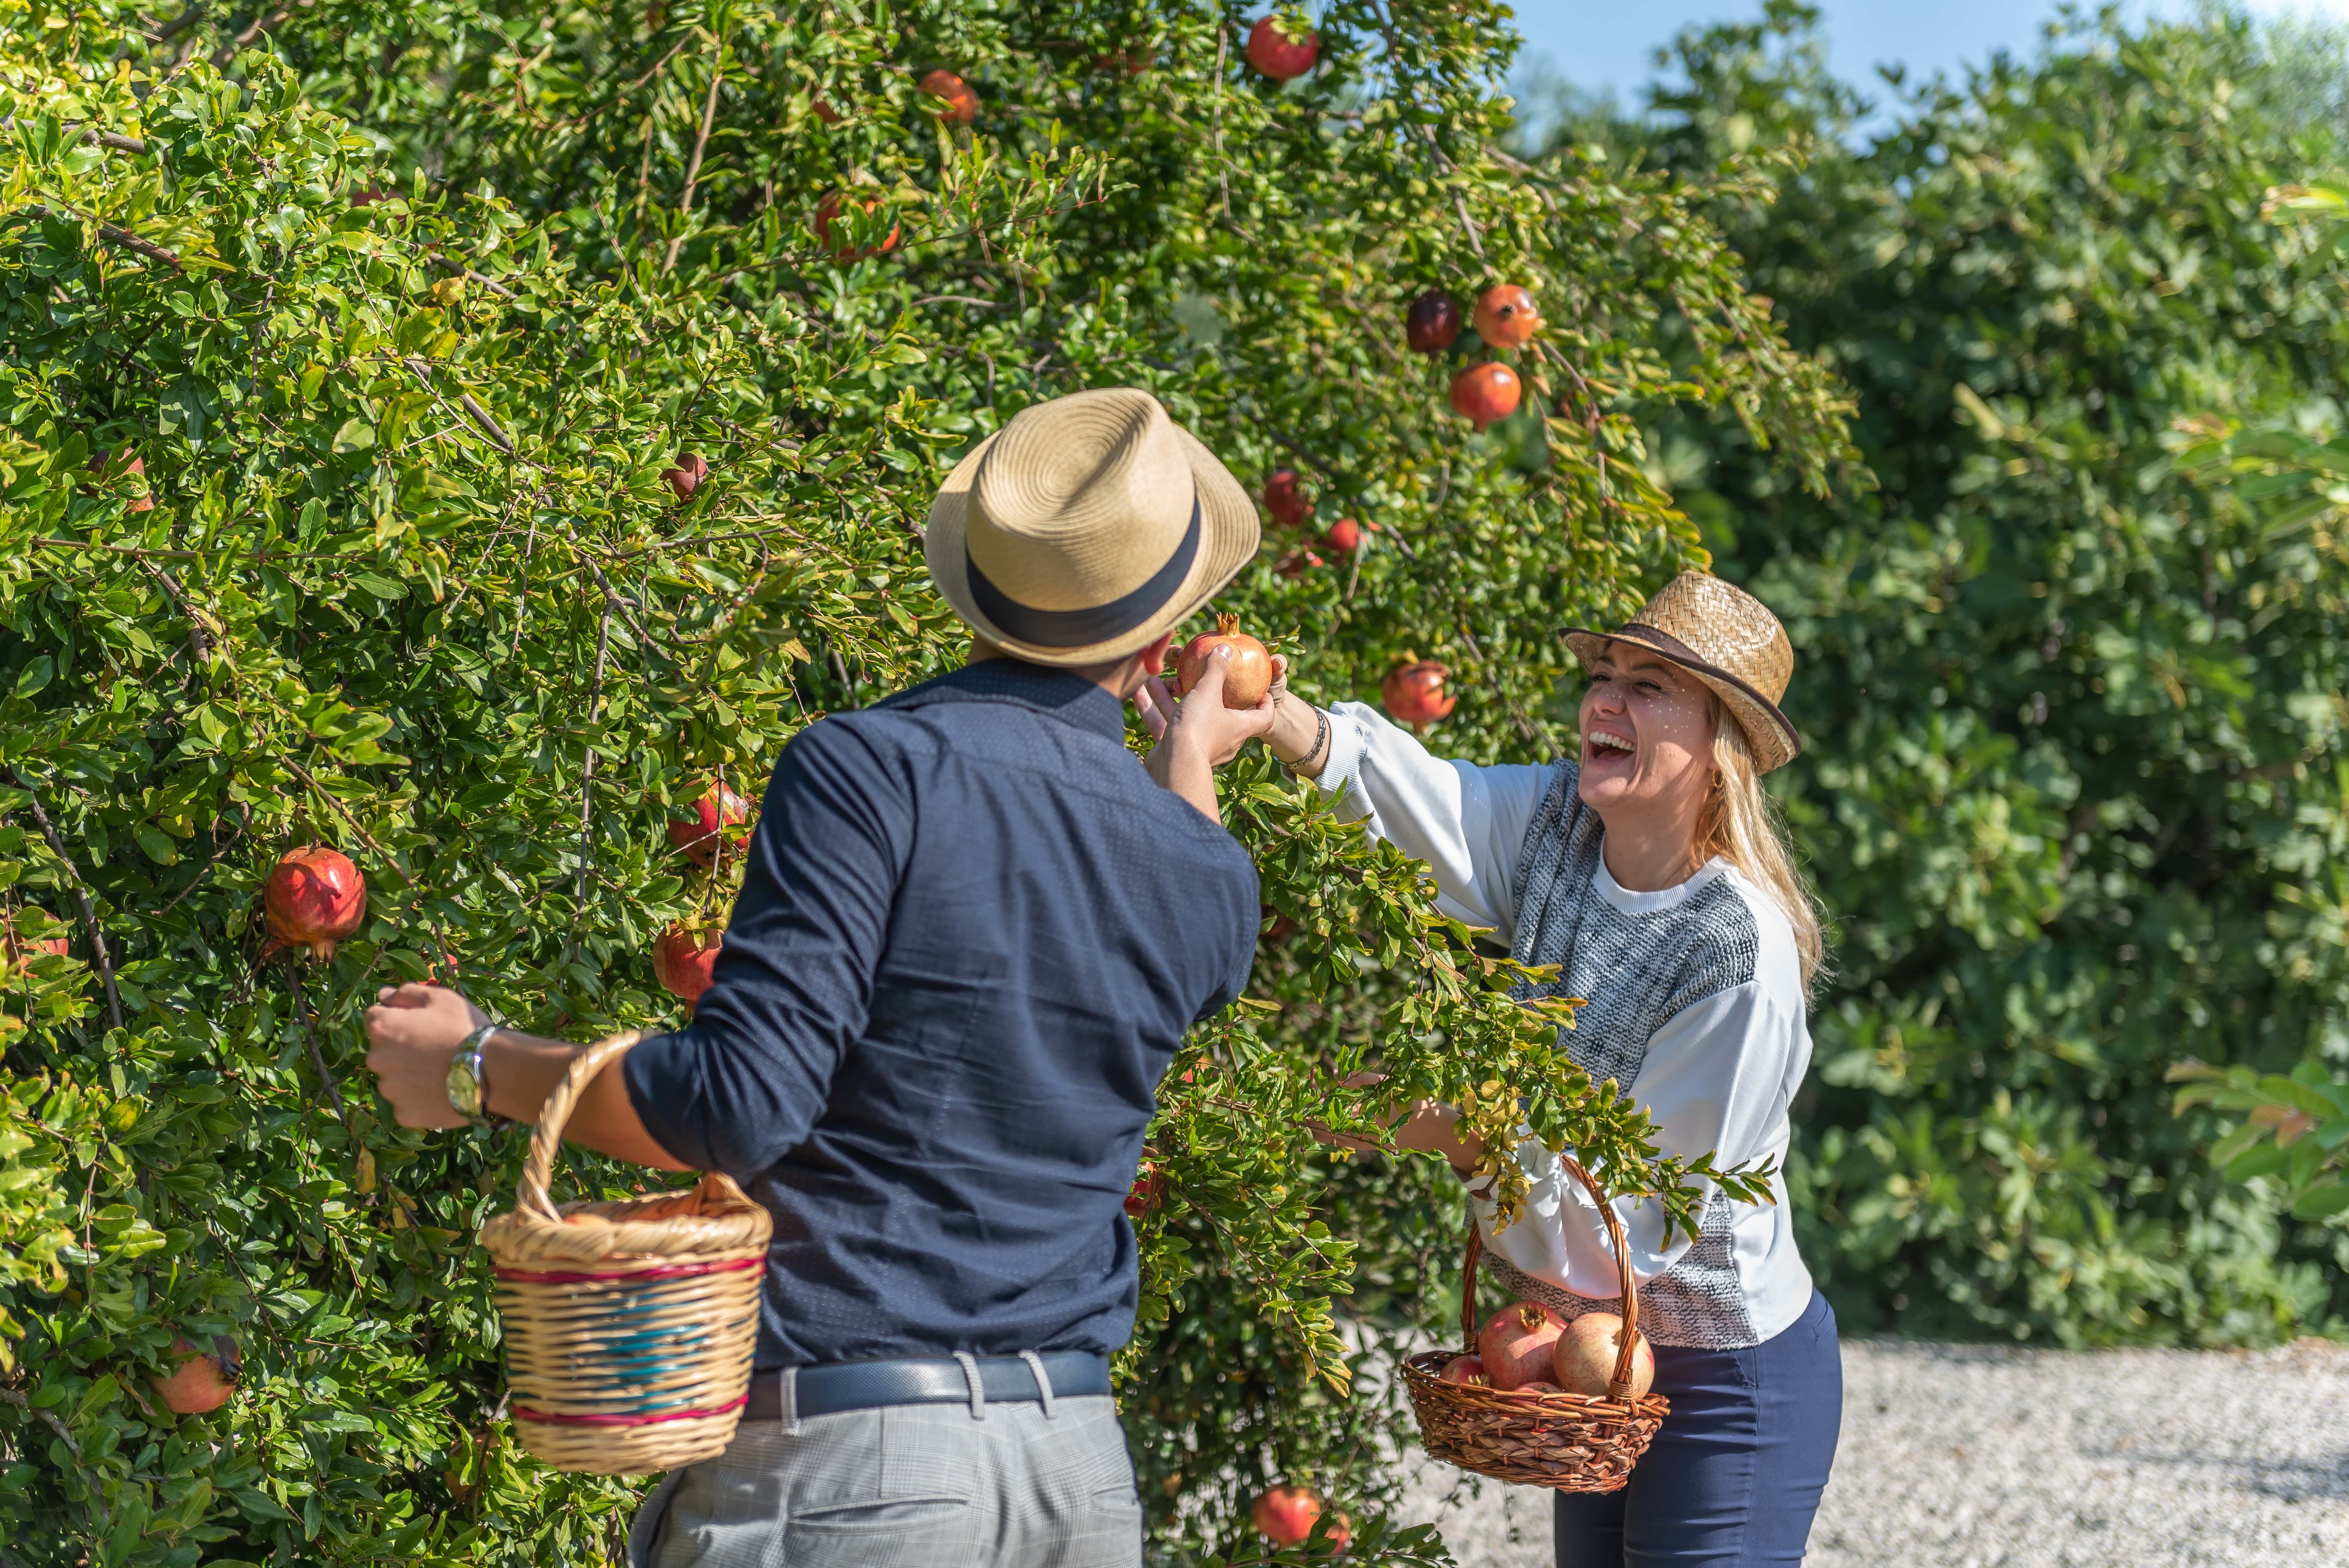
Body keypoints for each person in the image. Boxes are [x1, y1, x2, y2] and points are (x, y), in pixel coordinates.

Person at [362, 387, 1277, 1568]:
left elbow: (736, 1106)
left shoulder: (870, 771)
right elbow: (1177, 866)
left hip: (856, 1476)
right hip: (1075, 1480)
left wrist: (482, 1064)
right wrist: (1187, 757)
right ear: (1162, 644)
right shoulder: (1209, 874)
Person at [1164, 571, 1840, 1568]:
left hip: (1723, 1375)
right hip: (1591, 1354)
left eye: (1649, 686)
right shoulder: (1562, 821)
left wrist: (1467, 1138)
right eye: (1603, 674)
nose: (1604, 699)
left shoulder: (1734, 957)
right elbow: (1433, 804)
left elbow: (1637, 1224)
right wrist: (1285, 722)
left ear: (1721, 746)